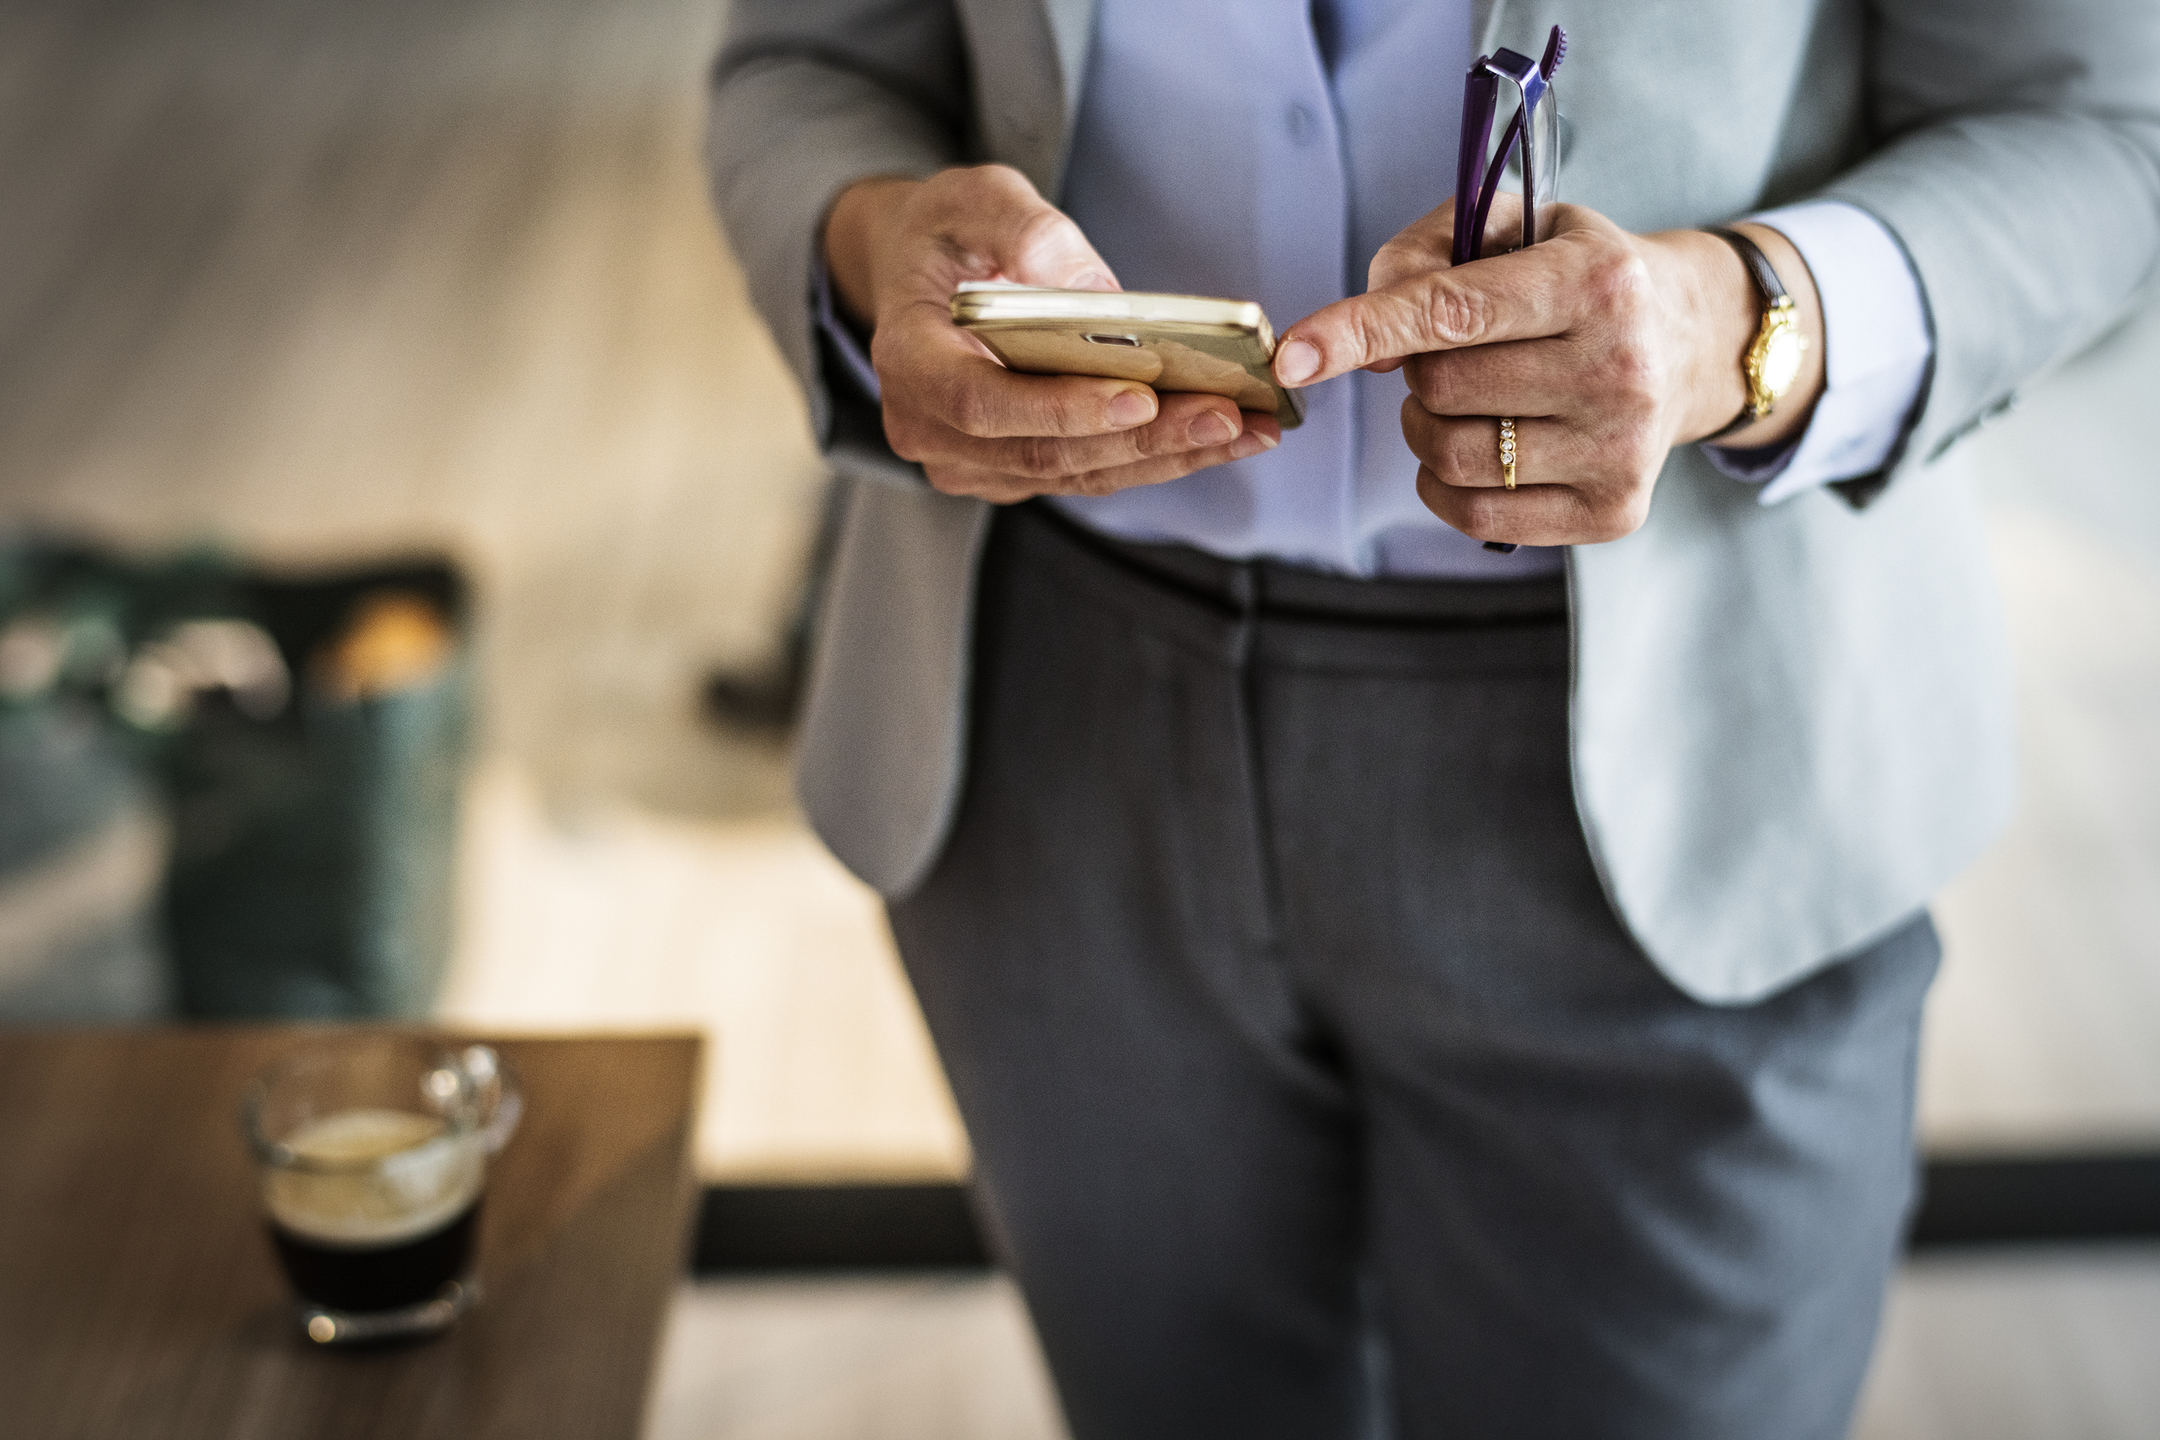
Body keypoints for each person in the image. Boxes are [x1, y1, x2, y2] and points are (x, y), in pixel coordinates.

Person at [707, 2, 2159, 1436]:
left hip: (1692, 772)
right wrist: (874, 240)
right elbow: (802, 68)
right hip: (1054, 740)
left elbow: (2102, 133)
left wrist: (1732, 325)